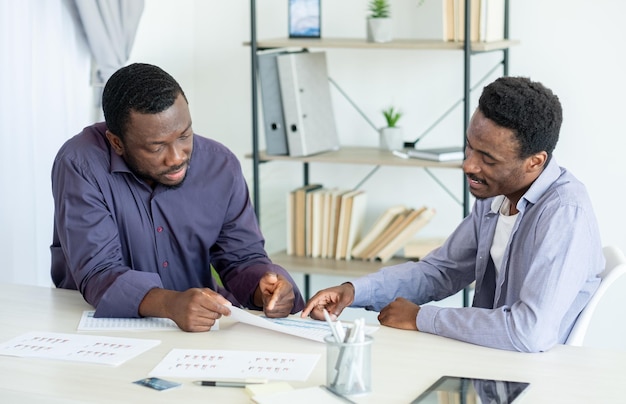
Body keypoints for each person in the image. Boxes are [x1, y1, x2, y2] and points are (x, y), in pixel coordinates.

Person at [302, 76, 604, 353]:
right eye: (469, 148)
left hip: (534, 376)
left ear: (535, 162)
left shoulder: (565, 214)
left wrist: (422, 318)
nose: (469, 166)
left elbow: (528, 333)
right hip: (486, 359)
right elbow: (440, 271)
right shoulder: (495, 198)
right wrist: (354, 291)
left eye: (487, 159)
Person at [51, 63, 305, 332]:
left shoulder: (220, 165)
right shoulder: (81, 164)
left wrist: (264, 289)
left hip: (198, 333)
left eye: (184, 135)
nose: (177, 157)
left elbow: (242, 259)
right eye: (157, 146)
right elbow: (99, 272)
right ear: (117, 143)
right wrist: (170, 304)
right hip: (99, 331)